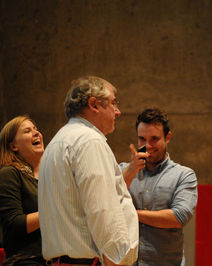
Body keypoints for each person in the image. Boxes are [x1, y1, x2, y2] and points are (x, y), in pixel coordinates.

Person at [38, 76, 138, 266]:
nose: (118, 112)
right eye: (113, 103)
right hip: (88, 261)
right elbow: (101, 209)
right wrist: (116, 259)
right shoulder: (89, 141)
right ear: (94, 104)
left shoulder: (57, 142)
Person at [120, 108, 198, 266]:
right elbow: (108, 203)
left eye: (154, 139)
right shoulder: (123, 170)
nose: (147, 146)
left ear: (167, 137)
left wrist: (131, 214)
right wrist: (130, 171)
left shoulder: (184, 175)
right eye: (142, 139)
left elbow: (179, 217)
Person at [0, 115, 45, 265]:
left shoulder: (49, 176)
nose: (36, 133)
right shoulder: (9, 173)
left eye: (36, 129)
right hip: (25, 260)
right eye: (27, 131)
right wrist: (53, 212)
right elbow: (14, 224)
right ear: (13, 146)